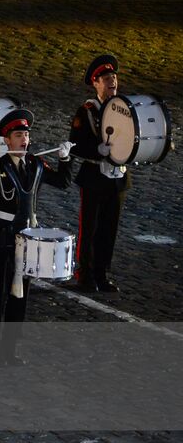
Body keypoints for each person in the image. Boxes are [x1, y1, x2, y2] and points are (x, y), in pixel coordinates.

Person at [0, 110, 72, 365]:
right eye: (18, 135)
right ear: (7, 140)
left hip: (27, 238)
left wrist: (66, 159)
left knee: (20, 296)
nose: (24, 139)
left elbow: (62, 182)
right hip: (2, 236)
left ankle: (9, 350)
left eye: (26, 134)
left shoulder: (36, 164)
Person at [69, 54, 130, 293]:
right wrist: (97, 150)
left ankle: (102, 273)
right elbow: (74, 144)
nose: (112, 81)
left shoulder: (124, 109)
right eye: (106, 78)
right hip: (94, 178)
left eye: (113, 77)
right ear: (96, 83)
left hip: (117, 179)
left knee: (109, 229)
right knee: (90, 228)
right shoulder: (86, 111)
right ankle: (85, 275)